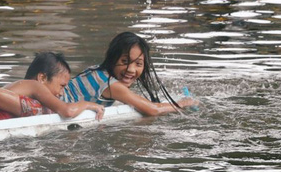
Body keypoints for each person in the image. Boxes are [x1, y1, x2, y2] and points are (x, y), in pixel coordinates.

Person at [60, 31, 198, 115]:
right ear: (112, 58)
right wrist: (183, 103)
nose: (131, 69)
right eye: (125, 61)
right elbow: (153, 110)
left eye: (138, 64)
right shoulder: (111, 85)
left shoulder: (98, 70)